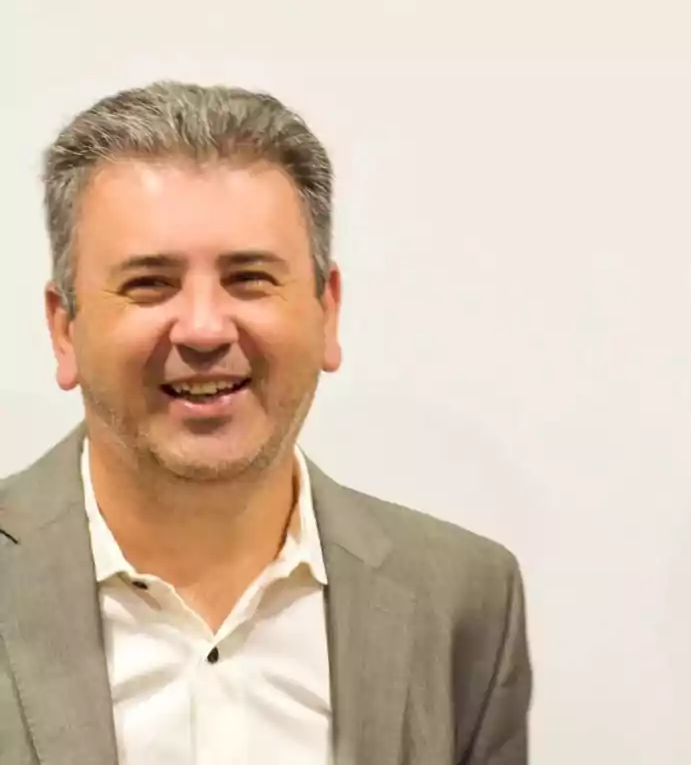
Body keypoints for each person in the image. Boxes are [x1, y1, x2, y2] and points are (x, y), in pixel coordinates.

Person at [0, 81, 530, 764]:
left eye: (249, 278)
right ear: (63, 328)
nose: (203, 328)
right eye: (150, 284)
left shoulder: (465, 600)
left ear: (326, 311)